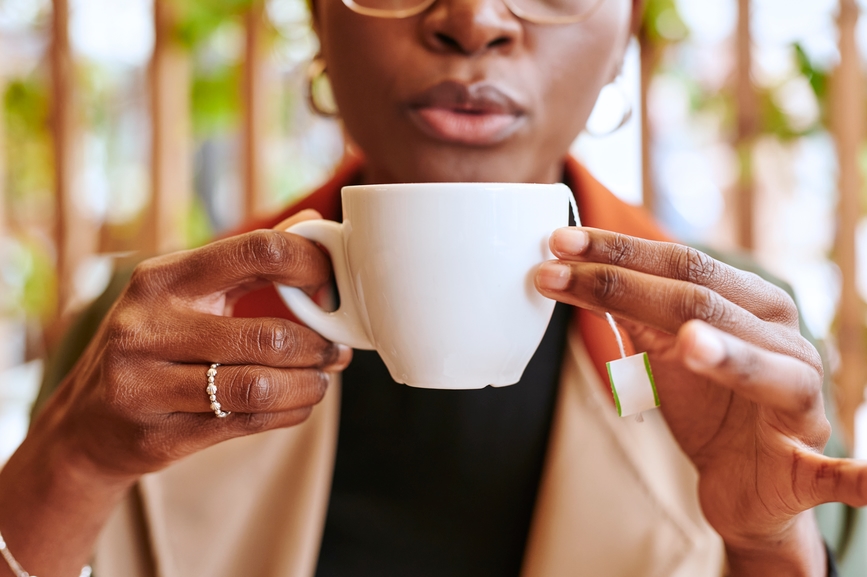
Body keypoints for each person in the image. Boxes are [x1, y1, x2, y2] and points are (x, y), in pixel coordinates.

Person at [0, 0, 863, 575]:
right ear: (315, 18)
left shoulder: (749, 338)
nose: (474, 19)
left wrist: (767, 548)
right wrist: (67, 468)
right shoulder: (141, 333)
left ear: (624, 32)